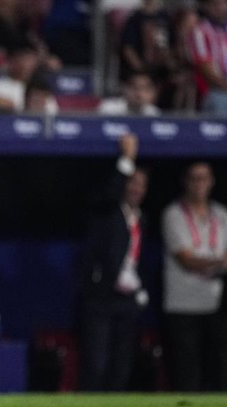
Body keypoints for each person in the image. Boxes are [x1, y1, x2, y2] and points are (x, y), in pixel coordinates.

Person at [161, 162, 227, 391]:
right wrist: (224, 262)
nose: (199, 184)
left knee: (220, 366)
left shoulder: (222, 214)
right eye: (194, 178)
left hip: (216, 303)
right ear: (185, 181)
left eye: (204, 178)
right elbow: (186, 259)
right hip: (183, 303)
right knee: (186, 371)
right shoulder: (173, 214)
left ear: (212, 181)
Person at [78, 133, 149, 392]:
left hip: (128, 299)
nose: (136, 188)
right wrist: (127, 160)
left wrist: (140, 288)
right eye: (132, 183)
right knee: (96, 362)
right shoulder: (108, 213)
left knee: (122, 363)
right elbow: (110, 193)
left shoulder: (140, 218)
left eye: (141, 184)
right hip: (101, 296)